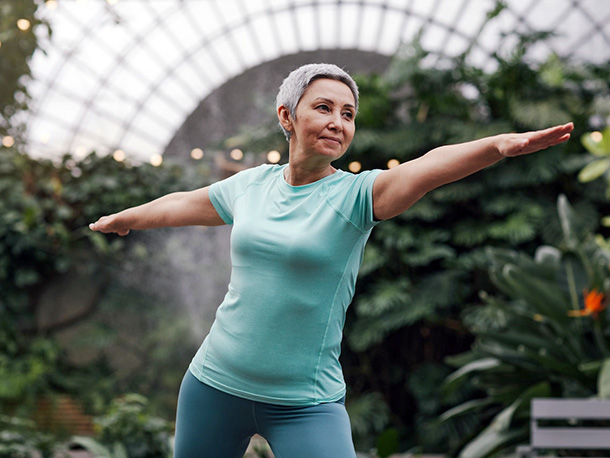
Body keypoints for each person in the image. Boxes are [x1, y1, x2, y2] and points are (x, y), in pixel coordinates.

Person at [89, 63, 574, 457]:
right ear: (287, 116)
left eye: (348, 113)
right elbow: (180, 205)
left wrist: (495, 146)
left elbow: (428, 166)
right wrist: (125, 216)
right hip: (214, 385)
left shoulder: (359, 196)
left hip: (305, 403)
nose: (338, 122)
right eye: (323, 108)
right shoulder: (250, 186)